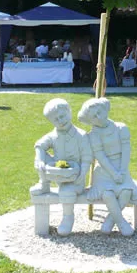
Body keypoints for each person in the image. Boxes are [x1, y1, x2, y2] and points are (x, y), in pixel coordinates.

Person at [78, 97, 137, 236]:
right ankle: (122, 223)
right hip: (104, 171)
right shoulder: (93, 135)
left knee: (126, 192)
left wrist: (123, 171)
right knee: (108, 194)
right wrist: (114, 174)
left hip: (121, 166)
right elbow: (100, 156)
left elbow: (126, 151)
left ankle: (110, 220)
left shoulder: (121, 128)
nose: (98, 118)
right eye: (94, 117)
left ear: (105, 110)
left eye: (99, 113)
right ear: (90, 121)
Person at [31, 99, 92, 236]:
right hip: (58, 173)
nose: (60, 121)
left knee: (66, 191)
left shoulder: (81, 136)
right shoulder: (53, 135)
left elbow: (87, 158)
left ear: (69, 112)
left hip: (75, 179)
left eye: (62, 116)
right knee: (40, 156)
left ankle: (68, 217)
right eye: (56, 119)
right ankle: (43, 184)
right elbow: (39, 145)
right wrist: (40, 159)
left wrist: (82, 175)